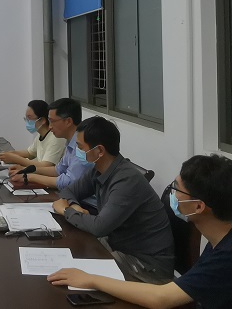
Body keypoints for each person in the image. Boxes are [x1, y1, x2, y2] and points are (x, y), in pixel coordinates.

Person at [49, 154, 232, 308]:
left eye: (177, 189)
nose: (172, 194)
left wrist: (91, 280)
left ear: (199, 207)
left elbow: (161, 298)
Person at [52, 116, 174, 283]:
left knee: (77, 271)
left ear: (99, 151)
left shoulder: (126, 180)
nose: (78, 151)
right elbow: (68, 191)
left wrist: (67, 210)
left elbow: (99, 227)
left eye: (80, 147)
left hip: (146, 266)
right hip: (120, 247)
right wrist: (74, 206)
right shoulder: (98, 169)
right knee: (71, 258)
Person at [9, 98, 92, 189]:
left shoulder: (82, 146)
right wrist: (25, 170)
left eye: (52, 121)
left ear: (68, 121)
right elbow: (58, 170)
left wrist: (29, 177)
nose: (50, 126)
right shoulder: (70, 143)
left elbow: (67, 182)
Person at [0, 100, 66, 168]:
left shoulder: (56, 138)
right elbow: (30, 153)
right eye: (26, 118)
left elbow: (45, 166)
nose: (27, 121)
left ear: (42, 120)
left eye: (29, 118)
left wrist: (16, 159)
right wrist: (8, 154)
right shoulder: (40, 136)